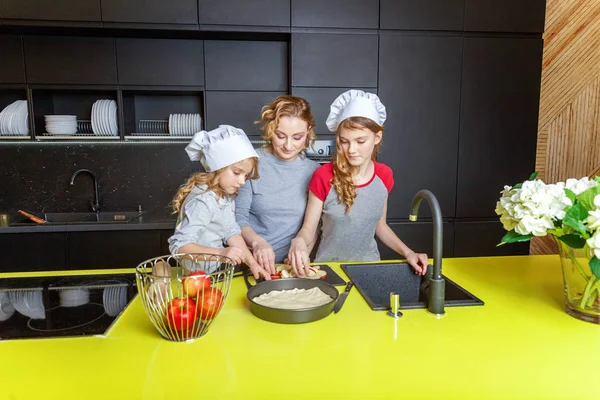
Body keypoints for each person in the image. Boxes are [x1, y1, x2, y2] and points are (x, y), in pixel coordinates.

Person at [287, 90, 429, 276]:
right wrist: (298, 241)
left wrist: (408, 252)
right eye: (344, 141)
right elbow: (309, 229)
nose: (351, 150)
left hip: (370, 269)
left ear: (376, 138)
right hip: (329, 270)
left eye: (360, 141)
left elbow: (380, 225)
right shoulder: (323, 176)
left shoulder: (384, 175)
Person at [167, 124, 270, 280]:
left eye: (246, 176)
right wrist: (222, 253)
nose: (242, 181)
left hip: (213, 271)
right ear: (218, 168)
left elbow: (231, 233)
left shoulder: (225, 195)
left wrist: (253, 264)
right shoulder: (203, 201)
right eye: (237, 172)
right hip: (193, 277)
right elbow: (180, 246)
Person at [235, 95, 320, 274]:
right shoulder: (250, 164)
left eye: (297, 137)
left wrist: (302, 251)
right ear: (270, 128)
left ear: (309, 130)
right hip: (250, 264)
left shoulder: (314, 171)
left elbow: (313, 225)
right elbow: (238, 218)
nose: (288, 146)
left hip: (292, 267)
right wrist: (257, 243)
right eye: (280, 136)